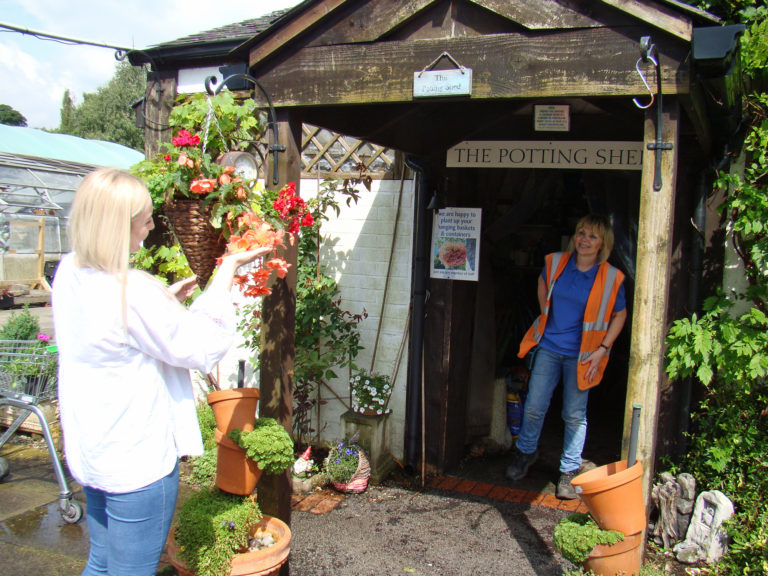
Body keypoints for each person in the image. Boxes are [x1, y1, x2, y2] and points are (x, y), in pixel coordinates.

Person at [52, 168, 269, 576]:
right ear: (118, 227)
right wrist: (227, 270)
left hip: (95, 450)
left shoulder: (70, 273)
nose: (152, 227)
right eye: (146, 219)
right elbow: (201, 345)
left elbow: (111, 334)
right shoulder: (131, 292)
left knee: (100, 562)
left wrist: (165, 302)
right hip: (136, 464)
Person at [506, 214, 627, 500]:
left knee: (574, 414)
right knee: (534, 406)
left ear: (602, 244)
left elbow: (620, 314)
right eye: (581, 233)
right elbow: (541, 282)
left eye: (592, 236)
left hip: (583, 355)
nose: (584, 240)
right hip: (549, 347)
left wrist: (603, 349)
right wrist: (545, 313)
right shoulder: (556, 262)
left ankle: (569, 470)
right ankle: (525, 452)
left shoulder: (611, 276)